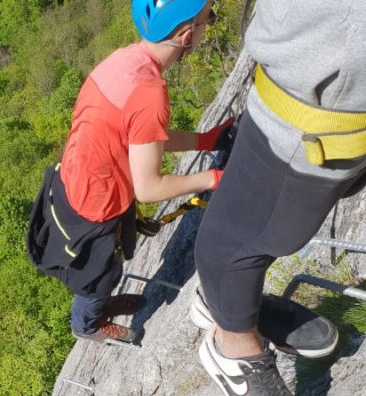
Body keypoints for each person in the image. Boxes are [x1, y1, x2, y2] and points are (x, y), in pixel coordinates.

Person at [193, 0, 366, 396]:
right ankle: (234, 344)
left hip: (362, 80)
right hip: (321, 75)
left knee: (284, 225)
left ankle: (228, 300)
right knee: (246, 236)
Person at [27, 0, 232, 346]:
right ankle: (87, 323)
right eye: (206, 19)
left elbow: (142, 138)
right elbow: (149, 188)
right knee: (98, 278)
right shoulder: (149, 93)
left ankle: (98, 303)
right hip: (96, 207)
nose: (209, 23)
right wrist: (213, 179)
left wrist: (203, 141)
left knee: (107, 271)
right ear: (185, 35)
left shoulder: (123, 61)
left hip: (73, 181)